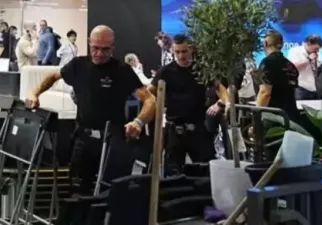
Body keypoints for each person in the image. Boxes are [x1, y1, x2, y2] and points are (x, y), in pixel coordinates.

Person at [29, 26, 155, 194]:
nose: (99, 53)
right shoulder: (78, 65)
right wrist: (35, 94)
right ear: (89, 43)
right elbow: (53, 76)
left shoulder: (122, 70)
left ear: (113, 47)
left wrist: (139, 122)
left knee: (110, 190)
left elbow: (150, 99)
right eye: (95, 48)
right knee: (78, 190)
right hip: (83, 139)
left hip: (112, 140)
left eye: (105, 49)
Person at [152, 35, 223, 173]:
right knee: (172, 173)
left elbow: (221, 89)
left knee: (205, 172)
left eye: (184, 51)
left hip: (199, 129)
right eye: (177, 52)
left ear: (191, 50)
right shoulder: (165, 72)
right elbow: (150, 92)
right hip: (175, 130)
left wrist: (221, 103)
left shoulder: (201, 70)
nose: (181, 56)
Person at [257, 31, 321, 142]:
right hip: (291, 117)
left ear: (265, 44)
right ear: (281, 44)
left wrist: (256, 116)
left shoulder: (267, 63)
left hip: (273, 119)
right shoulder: (290, 65)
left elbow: (265, 93)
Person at [288, 34, 322, 100]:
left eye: (318, 49)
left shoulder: (318, 53)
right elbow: (292, 67)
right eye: (316, 49)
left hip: (316, 89)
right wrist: (308, 60)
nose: (317, 51)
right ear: (309, 44)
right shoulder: (295, 51)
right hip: (301, 89)